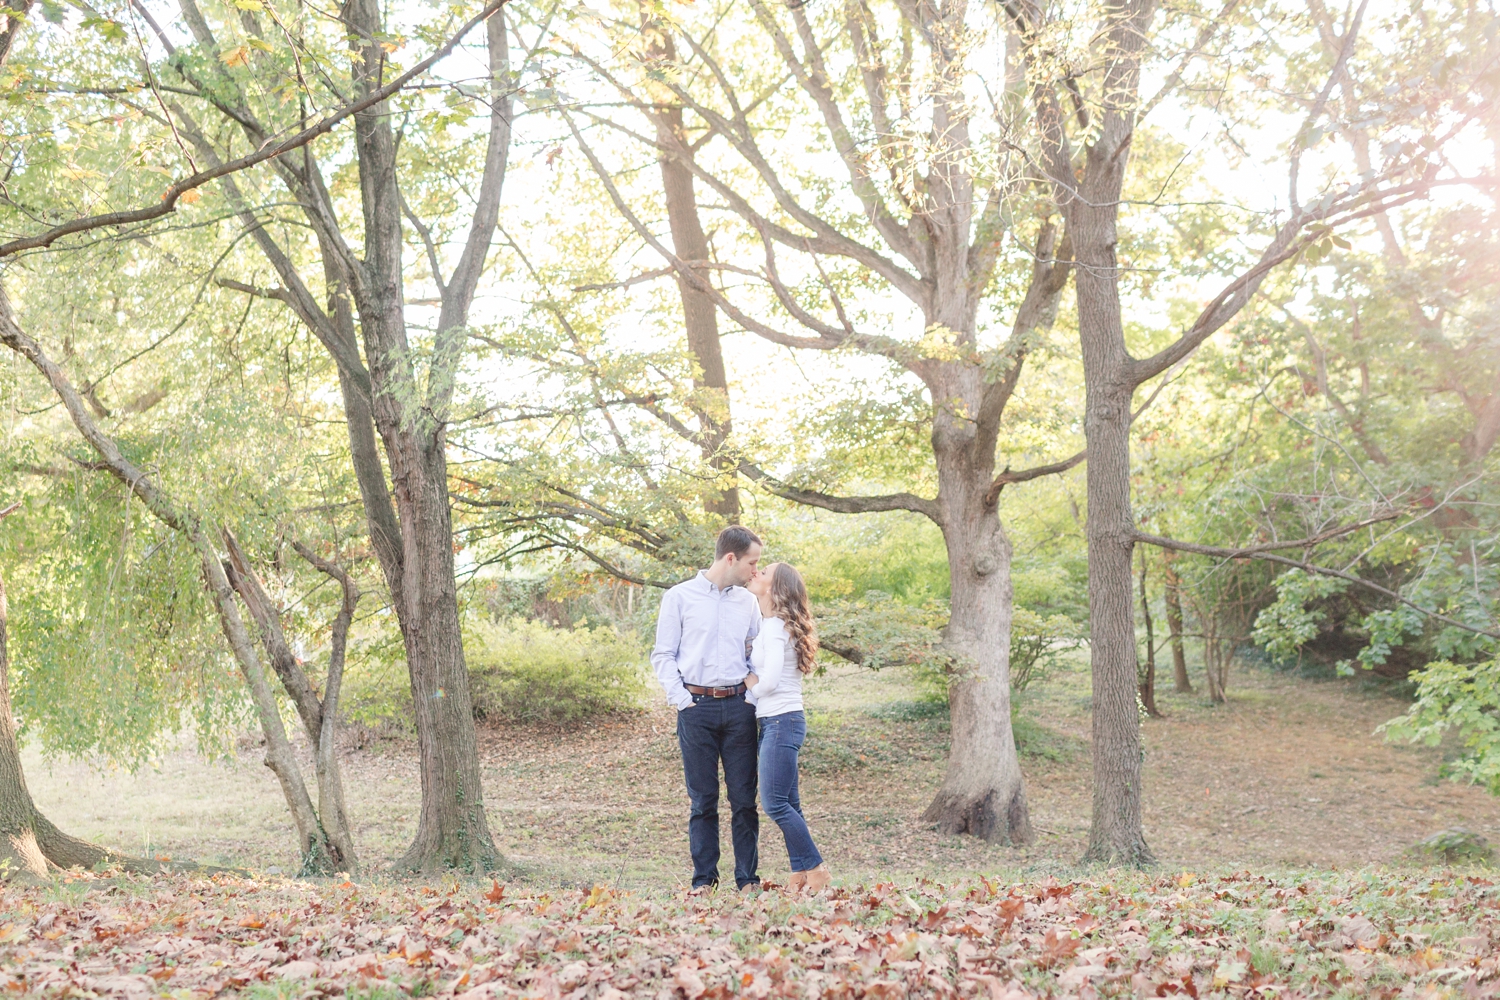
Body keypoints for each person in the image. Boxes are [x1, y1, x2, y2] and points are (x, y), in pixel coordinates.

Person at [651, 525, 764, 891]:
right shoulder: (679, 597)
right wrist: (682, 700)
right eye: (752, 562)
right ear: (730, 558)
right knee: (703, 801)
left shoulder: (747, 601)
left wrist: (752, 691)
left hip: (739, 709)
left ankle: (747, 881)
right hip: (695, 708)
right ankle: (704, 882)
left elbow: (757, 651)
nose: (755, 571)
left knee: (745, 800)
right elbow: (663, 655)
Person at [745, 562, 831, 893]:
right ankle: (800, 876)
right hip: (778, 721)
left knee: (775, 803)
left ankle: (816, 868)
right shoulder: (772, 624)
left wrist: (748, 681)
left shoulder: (776, 627)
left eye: (763, 572)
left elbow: (768, 682)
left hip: (782, 720)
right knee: (789, 804)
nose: (756, 574)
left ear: (776, 587)